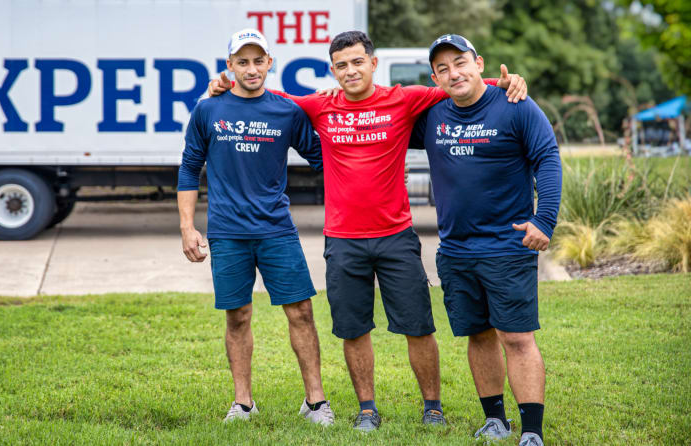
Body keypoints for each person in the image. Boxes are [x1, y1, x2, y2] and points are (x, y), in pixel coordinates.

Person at [209, 31, 528, 432]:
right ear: (332, 71)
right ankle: (367, 408)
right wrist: (223, 86)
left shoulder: (405, 98)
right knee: (353, 328)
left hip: (396, 236)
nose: (350, 70)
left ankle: (432, 406)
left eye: (357, 61)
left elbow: (459, 84)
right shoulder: (317, 106)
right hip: (342, 239)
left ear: (373, 64)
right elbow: (262, 98)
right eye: (341, 65)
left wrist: (508, 81)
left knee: (419, 326)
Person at [410, 34, 562, 446]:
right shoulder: (432, 116)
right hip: (456, 249)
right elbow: (378, 105)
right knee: (478, 334)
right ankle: (495, 420)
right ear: (434, 77)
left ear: (479, 62)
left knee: (516, 336)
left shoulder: (516, 105)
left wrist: (543, 220)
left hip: (507, 246)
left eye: (460, 62)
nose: (453, 72)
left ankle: (531, 431)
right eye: (442, 68)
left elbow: (547, 157)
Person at [177, 28, 334, 426]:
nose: (251, 69)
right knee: (238, 316)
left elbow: (325, 161)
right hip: (227, 232)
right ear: (229, 66)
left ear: (270, 63)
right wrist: (187, 227)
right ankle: (243, 404)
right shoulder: (208, 110)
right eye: (242, 61)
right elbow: (189, 169)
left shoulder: (286, 111)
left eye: (258, 61)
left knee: (301, 311)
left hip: (277, 229)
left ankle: (316, 402)